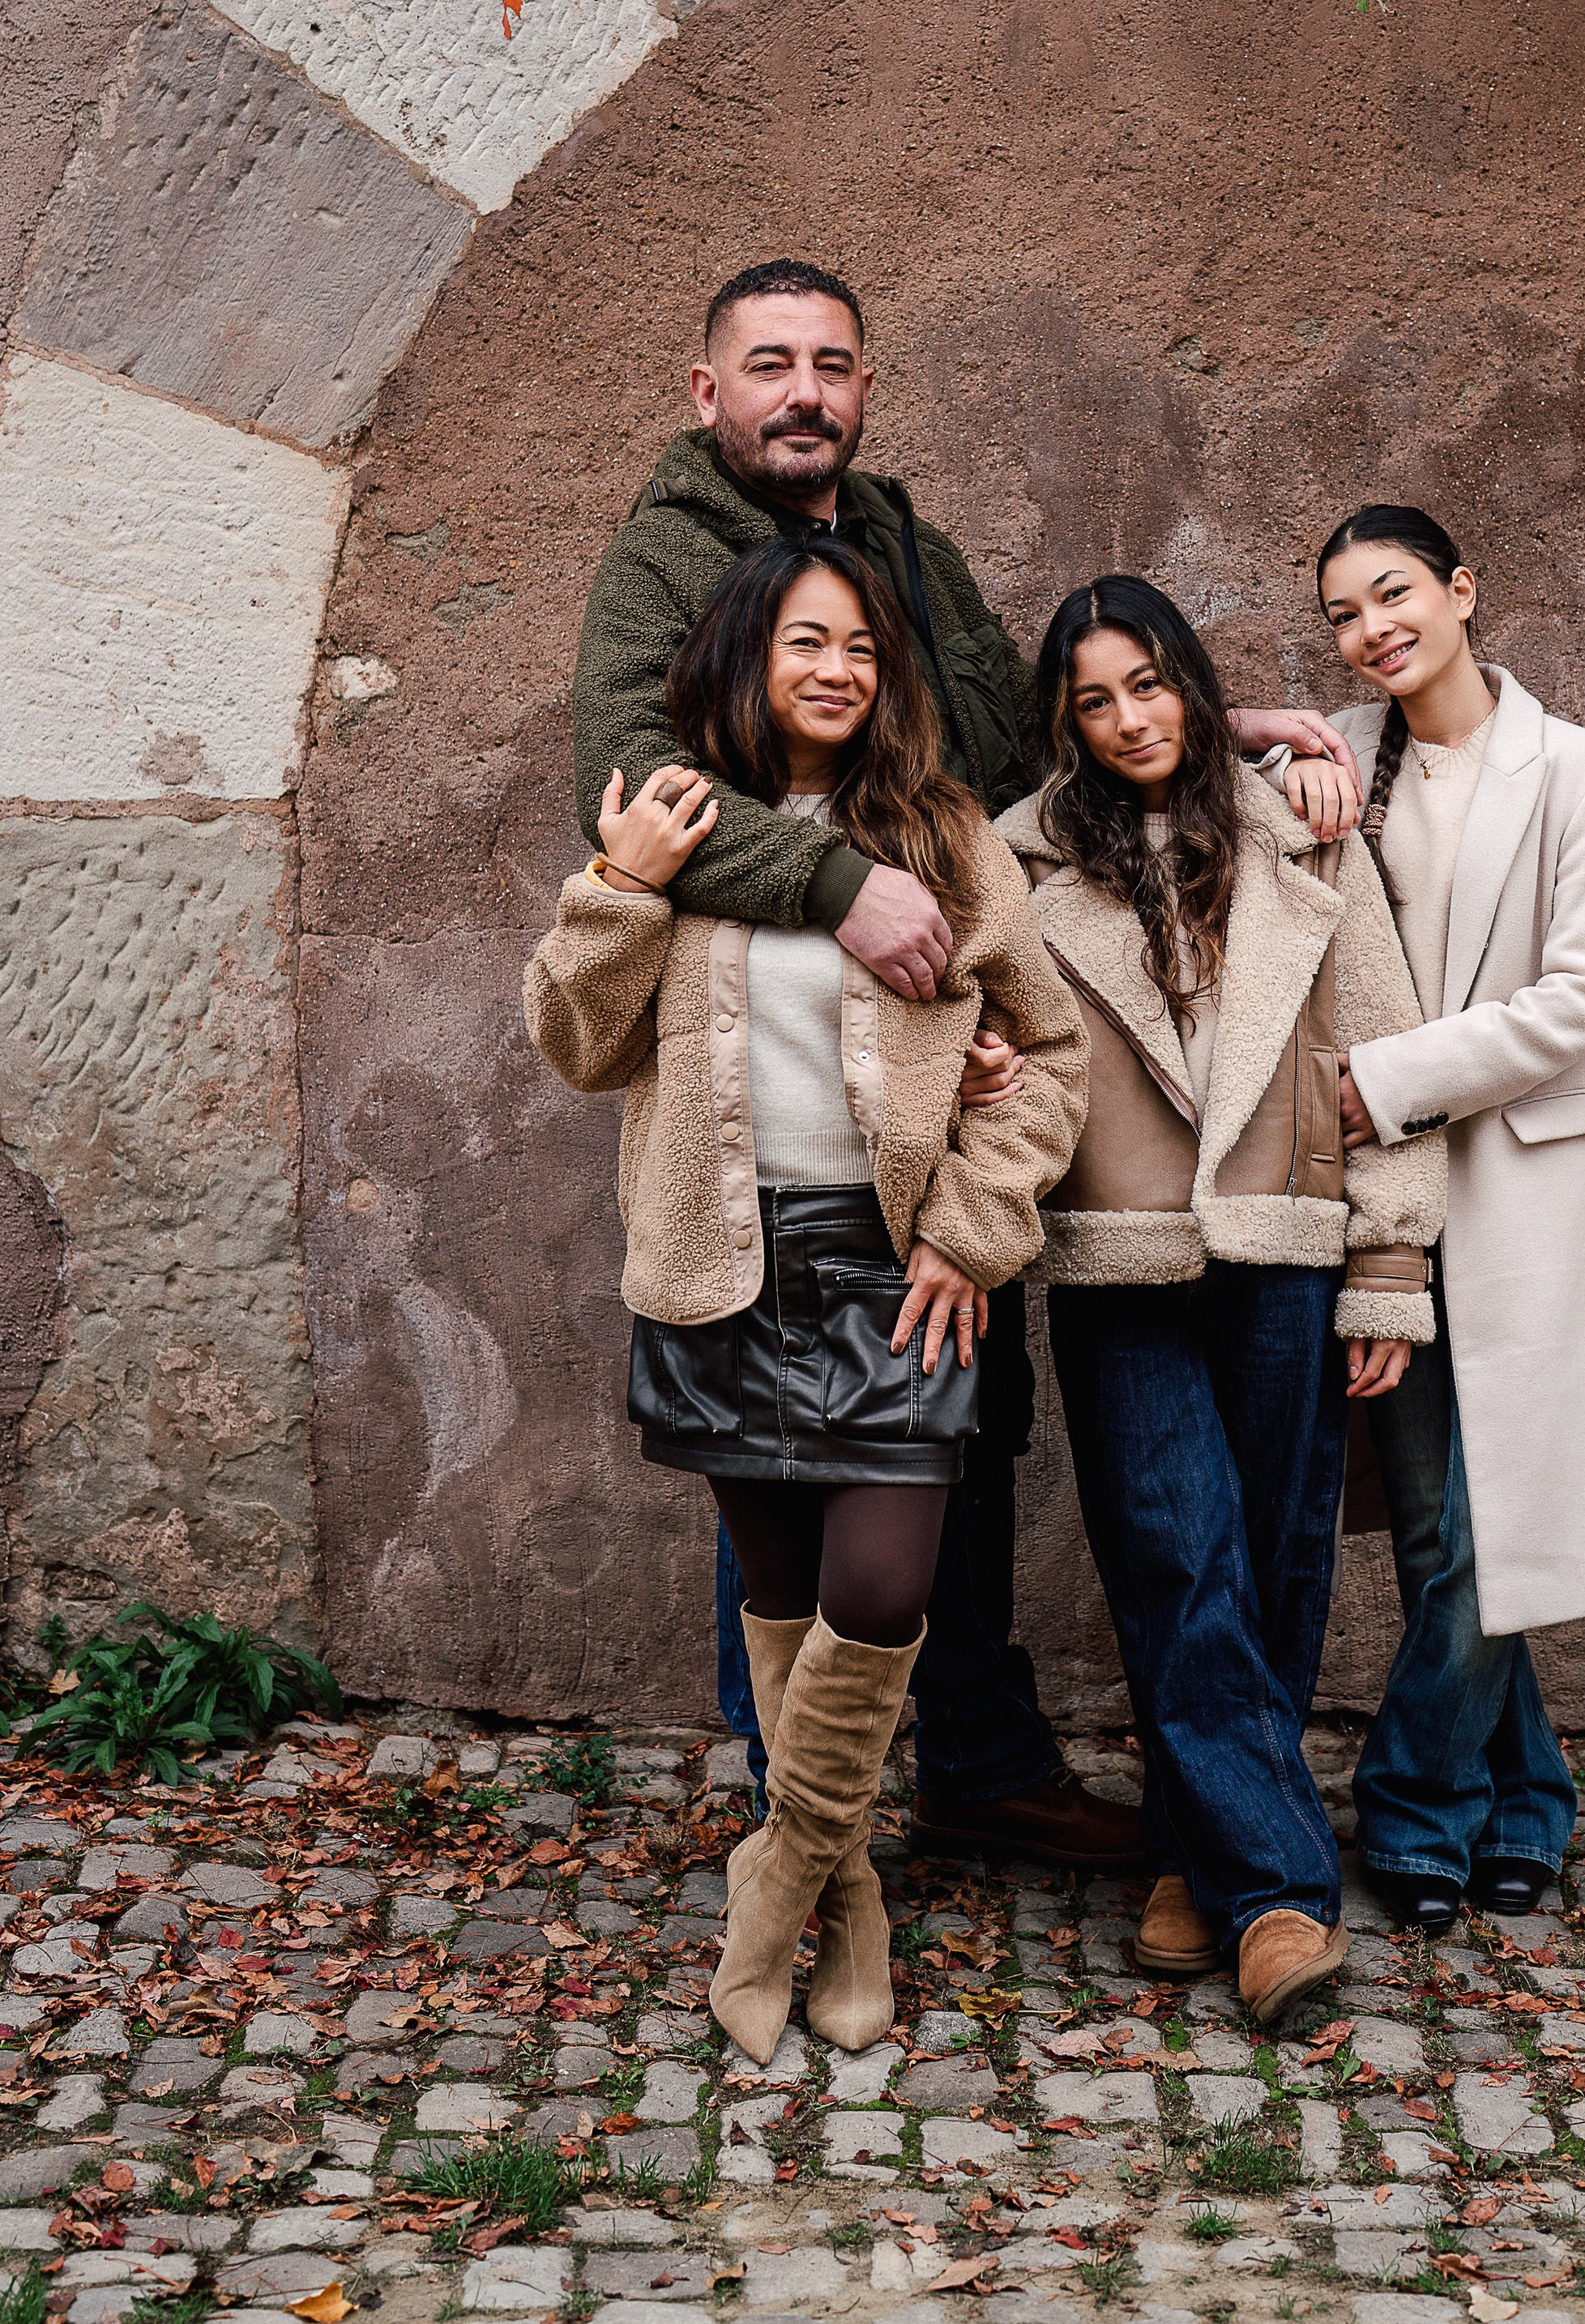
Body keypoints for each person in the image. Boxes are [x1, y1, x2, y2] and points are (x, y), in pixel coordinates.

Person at [570, 254, 1365, 1863]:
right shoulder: (665, 559)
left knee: (957, 1420)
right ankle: (804, 1824)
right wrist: (834, 885)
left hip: (929, 1075)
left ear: (862, 391)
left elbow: (1011, 748)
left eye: (834, 365)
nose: (806, 391)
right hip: (765, 1089)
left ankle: (981, 1759)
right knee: (779, 1463)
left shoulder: (899, 546)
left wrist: (1197, 735)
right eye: (771, 362)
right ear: (703, 389)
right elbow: (628, 778)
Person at [526, 538, 1087, 2061]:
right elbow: (578, 1044)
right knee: (778, 1602)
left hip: (888, 1266)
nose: (836, 668)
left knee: (886, 1588)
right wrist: (616, 889)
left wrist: (970, 1236)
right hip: (718, 1261)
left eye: (860, 645)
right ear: (745, 661)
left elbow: (1049, 1060)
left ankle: (771, 1888)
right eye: (803, 642)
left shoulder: (946, 839)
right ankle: (851, 1903)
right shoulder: (680, 827)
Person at [997, 577, 1448, 2032]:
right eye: (1094, 698)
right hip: (1116, 1254)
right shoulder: (1022, 862)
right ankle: (1279, 1899)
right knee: (1176, 1555)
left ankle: (1197, 1852)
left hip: (1289, 1238)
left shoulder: (1305, 837)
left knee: (1275, 1556)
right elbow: (978, 1025)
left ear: (1193, 686)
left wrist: (1389, 1265)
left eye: (1149, 683)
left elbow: (1386, 1041)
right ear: (1063, 723)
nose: (1129, 718)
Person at [1318, 506, 1585, 1934]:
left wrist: (1379, 1081)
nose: (1373, 628)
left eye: (1394, 592)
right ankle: (1525, 1801)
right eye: (1342, 612)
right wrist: (1294, 718)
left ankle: (1408, 1802)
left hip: (1519, 1179)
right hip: (1386, 1202)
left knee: (1476, 1527)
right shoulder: (1335, 754)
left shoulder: (1581, 769)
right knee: (1437, 1532)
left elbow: (1582, 996)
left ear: (1461, 589)